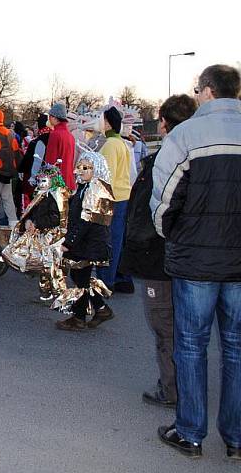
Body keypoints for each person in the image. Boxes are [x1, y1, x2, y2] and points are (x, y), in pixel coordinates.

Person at [151, 64, 241, 460]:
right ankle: (236, 438)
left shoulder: (186, 136)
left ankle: (190, 433)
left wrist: (173, 235)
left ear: (206, 92)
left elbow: (163, 200)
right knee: (236, 348)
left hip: (195, 263)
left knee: (190, 346)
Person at [118, 95, 197, 410]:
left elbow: (150, 214)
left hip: (160, 256)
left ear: (164, 123)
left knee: (165, 325)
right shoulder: (197, 155)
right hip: (190, 256)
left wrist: (135, 248)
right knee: (185, 327)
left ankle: (172, 389)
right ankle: (185, 387)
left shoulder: (165, 159)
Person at [53, 151, 114, 331]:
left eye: (86, 167)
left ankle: (81, 316)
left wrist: (68, 242)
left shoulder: (96, 188)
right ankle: (98, 309)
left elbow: (86, 220)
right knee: (81, 277)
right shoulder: (86, 186)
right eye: (79, 167)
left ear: (96, 169)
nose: (80, 171)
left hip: (89, 243)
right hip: (85, 241)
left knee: (81, 277)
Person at [1, 163, 69, 301]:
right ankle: (45, 291)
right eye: (39, 180)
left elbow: (57, 218)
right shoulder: (41, 194)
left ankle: (59, 295)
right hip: (40, 235)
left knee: (52, 266)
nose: (41, 184)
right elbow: (32, 212)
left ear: (53, 180)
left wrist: (37, 224)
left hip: (52, 237)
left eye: (44, 181)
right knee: (42, 264)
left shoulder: (57, 196)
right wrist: (29, 222)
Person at [97, 106, 134, 293]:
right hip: (122, 196)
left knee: (108, 241)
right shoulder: (121, 143)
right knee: (116, 239)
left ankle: (106, 280)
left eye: (103, 120)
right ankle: (114, 277)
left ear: (108, 123)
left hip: (112, 198)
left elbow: (106, 175)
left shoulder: (111, 144)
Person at [44, 103, 75, 190]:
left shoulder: (55, 134)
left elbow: (50, 161)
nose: (49, 119)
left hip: (57, 182)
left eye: (50, 116)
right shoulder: (70, 136)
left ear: (54, 117)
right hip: (68, 180)